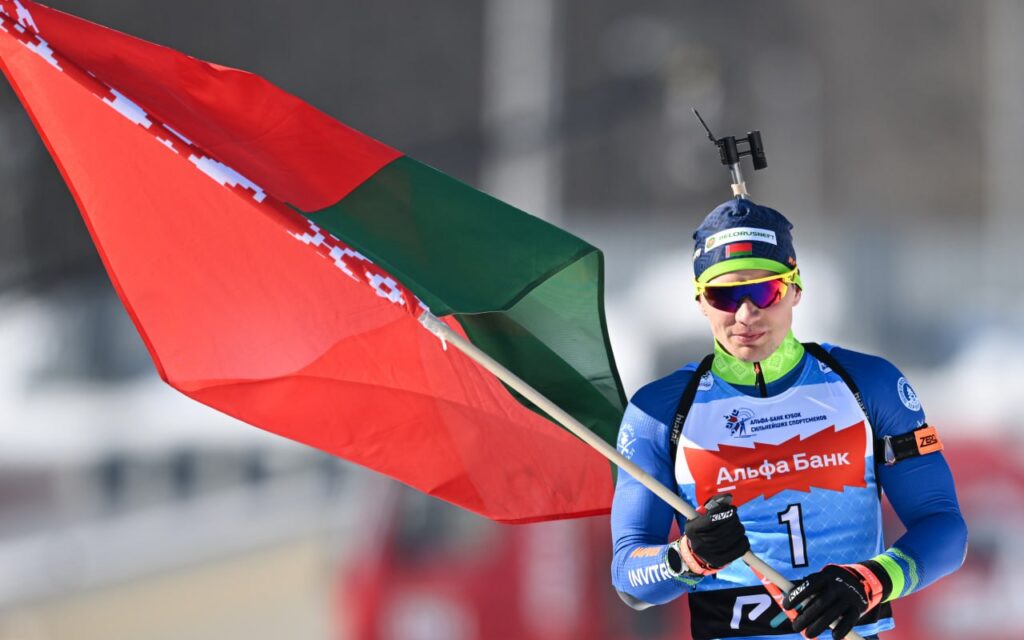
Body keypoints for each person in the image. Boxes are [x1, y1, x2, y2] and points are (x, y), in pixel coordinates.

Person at [610, 199, 967, 640]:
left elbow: (944, 528)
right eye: (724, 295)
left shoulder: (867, 384)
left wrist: (869, 581)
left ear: (796, 289)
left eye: (765, 292)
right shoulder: (659, 412)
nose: (746, 315)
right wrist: (687, 558)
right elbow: (629, 579)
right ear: (700, 300)